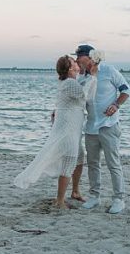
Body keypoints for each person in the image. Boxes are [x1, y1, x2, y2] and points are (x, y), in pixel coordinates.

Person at [13, 55, 98, 209]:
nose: (77, 63)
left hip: (73, 128)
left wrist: (91, 77)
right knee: (69, 163)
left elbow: (87, 95)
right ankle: (60, 200)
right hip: (68, 130)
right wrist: (92, 76)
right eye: (74, 62)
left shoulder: (72, 82)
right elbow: (84, 95)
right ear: (70, 68)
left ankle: (75, 191)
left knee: (79, 158)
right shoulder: (70, 83)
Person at [74, 44, 130, 214]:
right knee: (92, 163)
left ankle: (119, 199)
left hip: (109, 125)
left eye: (79, 56)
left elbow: (126, 90)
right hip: (91, 126)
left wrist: (116, 105)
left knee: (113, 163)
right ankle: (94, 196)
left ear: (90, 57)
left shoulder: (109, 70)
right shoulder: (81, 77)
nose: (77, 60)